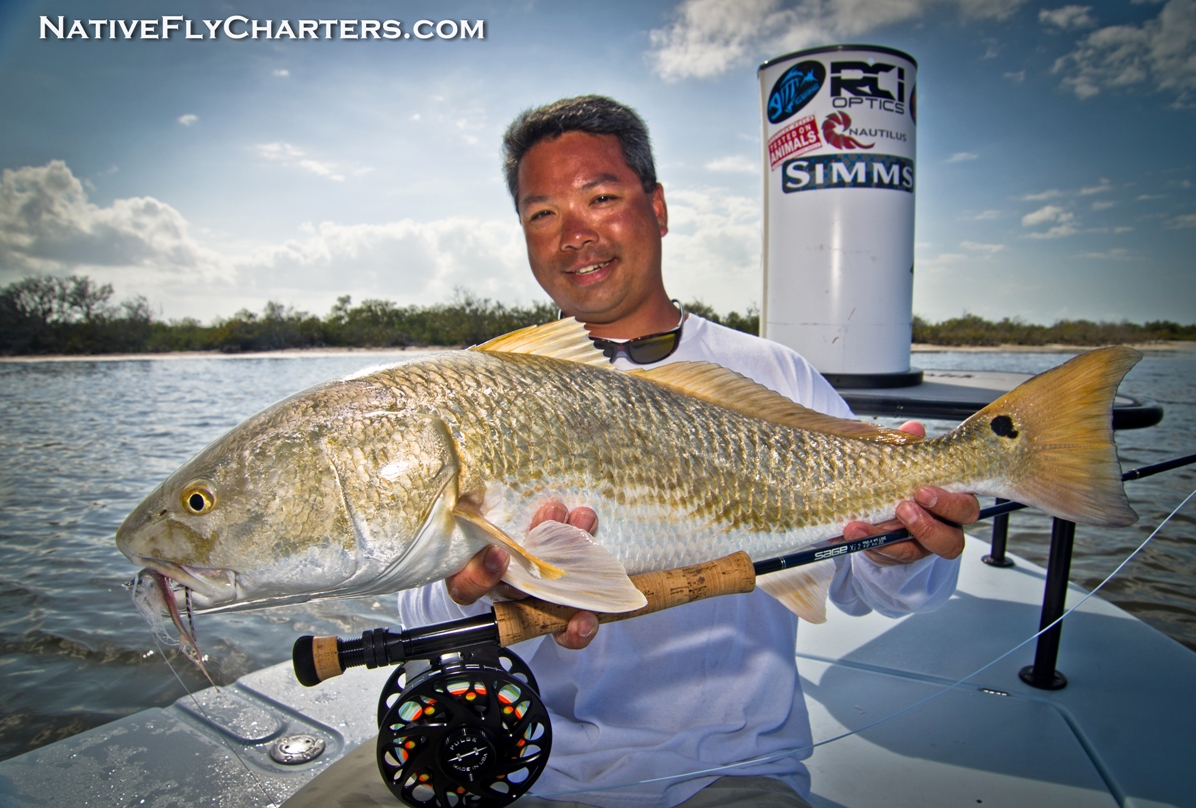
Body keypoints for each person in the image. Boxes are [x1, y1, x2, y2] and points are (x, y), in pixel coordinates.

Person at [398, 96, 979, 807]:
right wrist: (482, 584)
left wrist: (901, 551)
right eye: (541, 213)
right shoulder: (482, 389)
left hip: (724, 772)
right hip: (514, 762)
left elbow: (882, 592)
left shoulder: (776, 374)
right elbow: (419, 613)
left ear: (659, 208)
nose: (574, 234)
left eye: (602, 197)